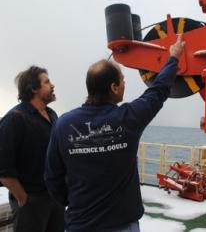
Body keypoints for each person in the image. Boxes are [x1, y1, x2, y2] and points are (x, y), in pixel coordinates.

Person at [44, 35, 185, 232]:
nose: (124, 84)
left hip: (79, 224)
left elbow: (52, 177)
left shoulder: (63, 124)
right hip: (122, 226)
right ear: (114, 87)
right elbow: (158, 91)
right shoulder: (127, 118)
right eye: (122, 80)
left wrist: (72, 200)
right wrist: (174, 58)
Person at [0, 66, 64, 232]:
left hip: (55, 198)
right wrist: (23, 198)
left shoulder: (52, 115)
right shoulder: (14, 119)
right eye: (47, 82)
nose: (53, 85)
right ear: (34, 88)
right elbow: (4, 170)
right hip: (31, 202)